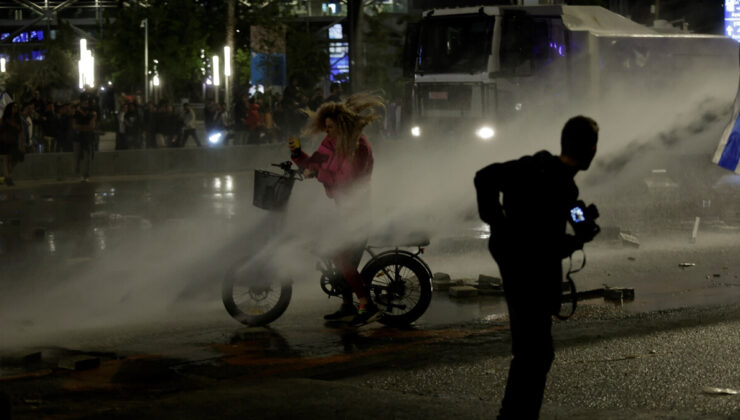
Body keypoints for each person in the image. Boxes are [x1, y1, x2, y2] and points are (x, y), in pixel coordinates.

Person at [474, 116, 600, 420]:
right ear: (590, 149)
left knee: (535, 353)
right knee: (534, 353)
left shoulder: (562, 182)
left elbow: (569, 218)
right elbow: (484, 177)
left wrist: (581, 232)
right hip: (525, 269)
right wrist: (498, 222)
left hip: (529, 266)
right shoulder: (537, 170)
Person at [288, 92, 385, 326]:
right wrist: (297, 154)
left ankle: (366, 304)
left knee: (341, 257)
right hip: (343, 208)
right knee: (334, 254)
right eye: (326, 126)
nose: (326, 131)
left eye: (330, 127)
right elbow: (315, 164)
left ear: (341, 125)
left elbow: (346, 179)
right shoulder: (331, 142)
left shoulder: (358, 146)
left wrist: (318, 174)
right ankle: (347, 304)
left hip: (357, 212)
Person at [0, 102, 25, 186]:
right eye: (14, 107)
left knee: (14, 159)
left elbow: (21, 133)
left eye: (16, 108)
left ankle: (8, 176)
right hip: (4, 142)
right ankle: (8, 177)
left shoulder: (18, 120)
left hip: (13, 143)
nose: (15, 109)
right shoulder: (4, 119)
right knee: (6, 159)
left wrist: (22, 144)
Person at [72, 99, 97, 181]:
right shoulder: (76, 114)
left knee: (87, 158)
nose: (86, 105)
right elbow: (74, 126)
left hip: (87, 138)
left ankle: (86, 175)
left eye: (87, 103)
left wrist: (81, 128)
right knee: (77, 158)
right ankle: (77, 174)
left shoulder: (91, 114)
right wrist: (86, 128)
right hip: (78, 138)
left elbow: (92, 127)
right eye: (84, 103)